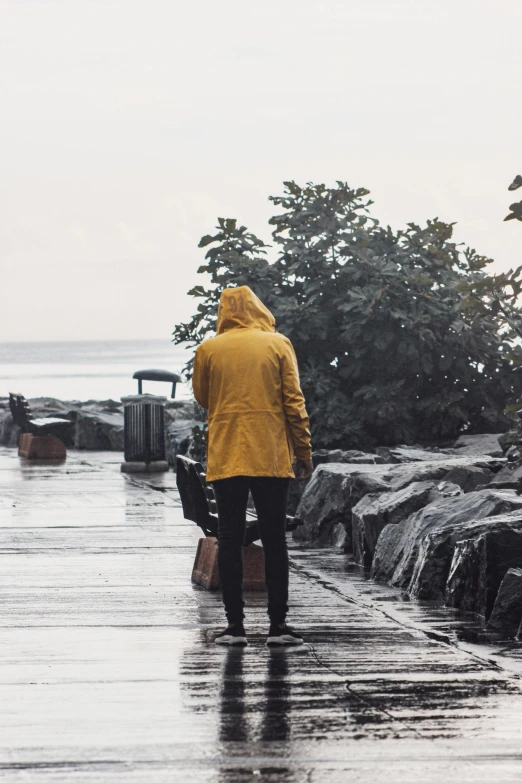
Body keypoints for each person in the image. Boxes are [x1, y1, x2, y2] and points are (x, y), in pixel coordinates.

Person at [192, 285, 313, 646]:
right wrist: (304, 451)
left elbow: (203, 397)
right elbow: (294, 402)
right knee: (275, 540)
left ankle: (235, 628)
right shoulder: (277, 343)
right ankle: (277, 627)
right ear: (258, 308)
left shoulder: (208, 349)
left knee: (229, 540)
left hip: (227, 453)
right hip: (270, 456)